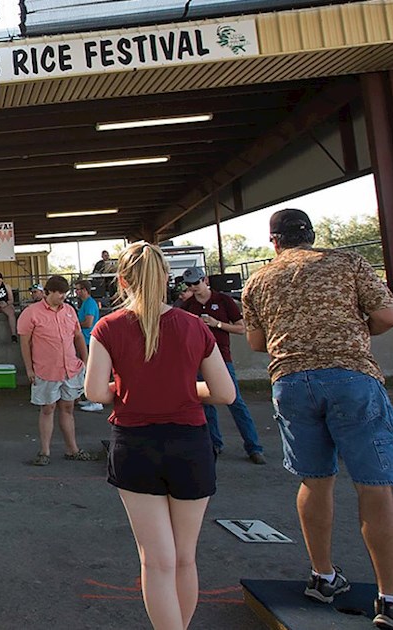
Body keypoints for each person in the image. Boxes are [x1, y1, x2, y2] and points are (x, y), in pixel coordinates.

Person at [242, 208, 393, 627]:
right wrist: (356, 331)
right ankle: (390, 597)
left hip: (291, 381)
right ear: (311, 234)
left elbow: (257, 341)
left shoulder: (258, 280)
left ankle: (323, 575)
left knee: (315, 480)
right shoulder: (347, 261)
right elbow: (386, 316)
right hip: (351, 376)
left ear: (274, 241)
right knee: (375, 483)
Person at [84, 241, 235, 630]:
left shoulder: (108, 327)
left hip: (135, 446)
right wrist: (185, 390)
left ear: (121, 280)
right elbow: (224, 393)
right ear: (168, 278)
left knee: (156, 560)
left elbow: (96, 392)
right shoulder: (194, 325)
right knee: (184, 558)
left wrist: (133, 387)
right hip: (190, 444)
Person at [178, 267, 265, 464]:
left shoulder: (223, 301)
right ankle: (214, 443)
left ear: (205, 280)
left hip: (222, 358)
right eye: (189, 285)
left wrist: (217, 324)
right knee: (206, 403)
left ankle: (253, 446)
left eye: (196, 283)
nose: (194, 288)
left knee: (235, 402)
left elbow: (241, 328)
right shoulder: (187, 305)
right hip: (197, 359)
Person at [19, 275, 97, 465]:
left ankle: (72, 449)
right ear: (47, 292)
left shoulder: (70, 311)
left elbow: (78, 336)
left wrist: (86, 361)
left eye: (65, 292)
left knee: (68, 408)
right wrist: (29, 369)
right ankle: (44, 452)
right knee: (47, 408)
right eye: (59, 293)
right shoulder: (31, 313)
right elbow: (24, 343)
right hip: (46, 370)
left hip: (70, 369)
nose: (63, 296)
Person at [75, 280, 105, 413]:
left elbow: (88, 323)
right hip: (85, 340)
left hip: (88, 340)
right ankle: (91, 398)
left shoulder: (90, 303)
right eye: (76, 289)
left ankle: (96, 401)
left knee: (90, 370)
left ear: (86, 290)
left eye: (79, 289)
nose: (77, 292)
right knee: (86, 369)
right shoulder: (85, 304)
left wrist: (73, 325)